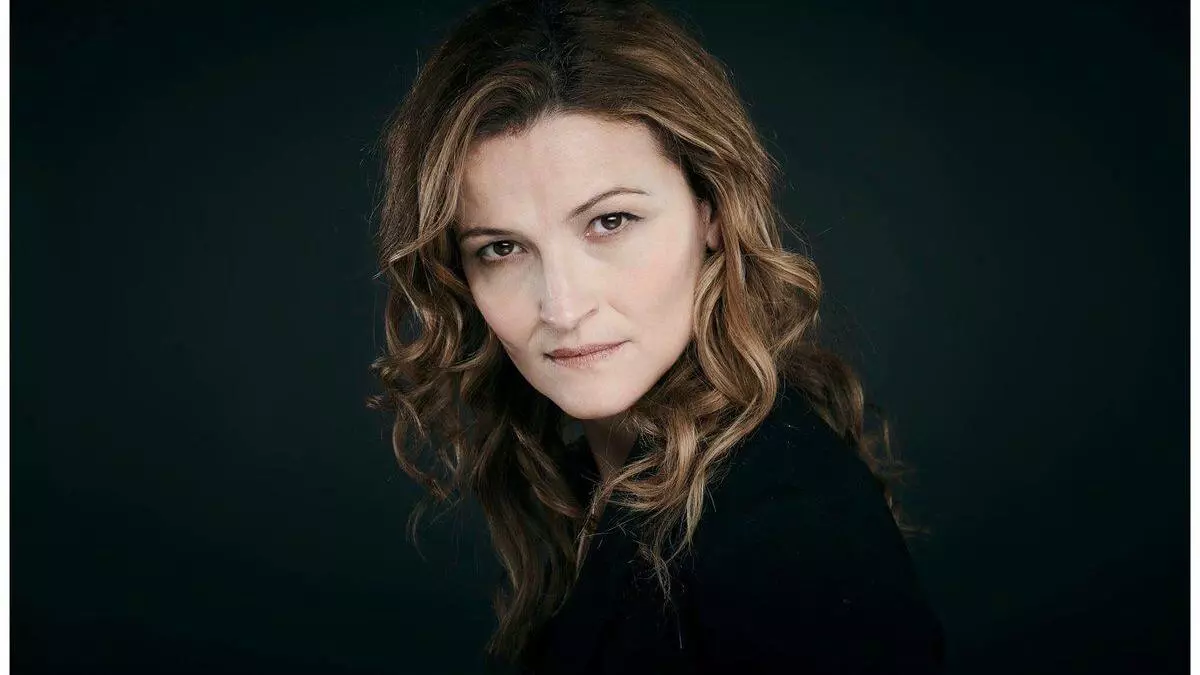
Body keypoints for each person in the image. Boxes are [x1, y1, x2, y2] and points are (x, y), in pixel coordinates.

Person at [366, 0, 946, 672]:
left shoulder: (788, 531)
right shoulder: (597, 485)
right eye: (502, 248)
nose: (562, 306)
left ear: (712, 211)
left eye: (610, 222)